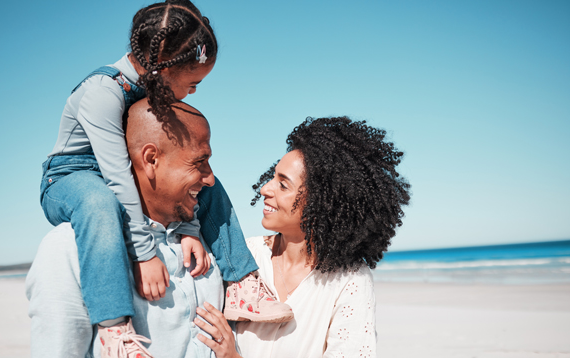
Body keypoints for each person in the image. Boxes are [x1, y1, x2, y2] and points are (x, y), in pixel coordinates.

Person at [38, 1, 291, 356]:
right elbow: (119, 177)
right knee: (100, 203)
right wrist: (144, 255)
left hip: (122, 176)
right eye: (192, 81)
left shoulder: (153, 89)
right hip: (72, 175)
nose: (193, 91)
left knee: (207, 183)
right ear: (163, 67)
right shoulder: (102, 92)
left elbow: (174, 169)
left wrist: (189, 229)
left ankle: (241, 284)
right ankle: (114, 330)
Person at [29, 100, 262, 358]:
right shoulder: (68, 248)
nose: (210, 178)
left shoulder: (212, 240)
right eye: (199, 161)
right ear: (151, 159)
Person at [194, 116, 411, 358]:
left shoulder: (349, 281)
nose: (265, 188)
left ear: (321, 203)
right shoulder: (244, 256)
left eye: (283, 185)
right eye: (273, 176)